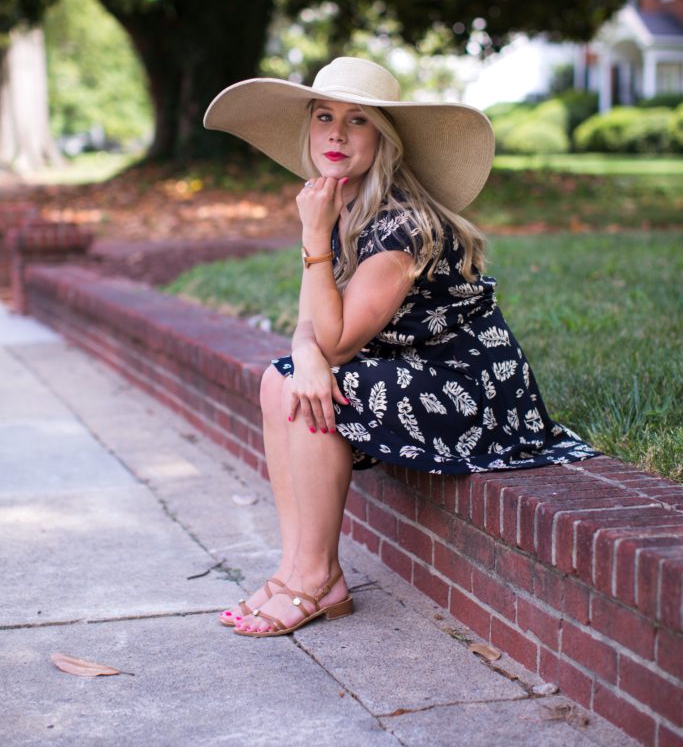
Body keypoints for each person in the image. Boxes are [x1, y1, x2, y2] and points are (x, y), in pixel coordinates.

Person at [203, 56, 597, 639]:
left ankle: (317, 579)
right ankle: (294, 571)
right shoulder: (338, 206)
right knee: (279, 379)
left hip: (469, 391)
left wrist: (314, 249)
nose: (336, 133)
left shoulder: (403, 227)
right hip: (407, 366)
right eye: (324, 116)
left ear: (383, 139)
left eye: (357, 120)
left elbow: (334, 343)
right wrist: (306, 352)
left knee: (317, 388)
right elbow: (313, 327)